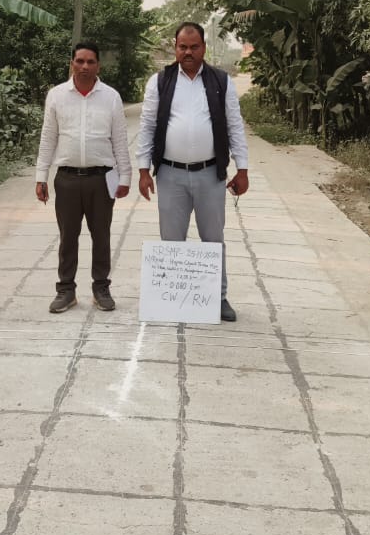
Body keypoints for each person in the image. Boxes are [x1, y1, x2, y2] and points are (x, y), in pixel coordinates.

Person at [138, 22, 250, 322]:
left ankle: (219, 299)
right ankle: (172, 299)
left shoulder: (221, 81)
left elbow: (234, 126)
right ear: (175, 48)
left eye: (194, 47)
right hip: (170, 174)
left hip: (210, 174)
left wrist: (242, 168)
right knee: (171, 239)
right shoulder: (160, 81)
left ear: (204, 48)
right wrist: (143, 170)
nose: (188, 52)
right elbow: (147, 126)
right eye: (182, 47)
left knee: (213, 238)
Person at [35, 42, 132, 313]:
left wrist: (125, 176)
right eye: (79, 61)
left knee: (101, 236)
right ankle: (65, 290)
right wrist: (41, 176)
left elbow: (120, 140)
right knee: (68, 237)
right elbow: (48, 138)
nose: (85, 66)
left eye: (90, 62)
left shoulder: (111, 97)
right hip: (67, 179)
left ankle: (101, 288)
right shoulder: (56, 96)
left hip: (101, 179)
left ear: (98, 65)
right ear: (72, 64)